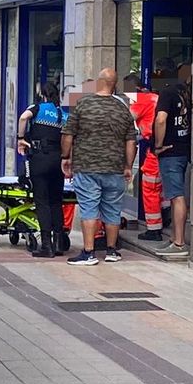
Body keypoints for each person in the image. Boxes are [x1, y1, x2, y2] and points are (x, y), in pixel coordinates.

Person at [61, 68, 137, 266]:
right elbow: (131, 141)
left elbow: (68, 134)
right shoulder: (123, 109)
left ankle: (89, 252)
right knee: (113, 209)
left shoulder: (83, 104)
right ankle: (111, 251)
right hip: (115, 168)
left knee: (89, 208)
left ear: (99, 82)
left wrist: (65, 157)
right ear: (114, 84)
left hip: (87, 167)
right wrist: (128, 166)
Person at [17, 82, 67, 258]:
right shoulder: (62, 113)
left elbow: (23, 118)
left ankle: (46, 245)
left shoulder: (37, 108)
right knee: (56, 201)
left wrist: (20, 138)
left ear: (42, 94)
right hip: (57, 160)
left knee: (42, 201)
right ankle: (59, 242)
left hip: (40, 158)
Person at [152, 59, 192, 258]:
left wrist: (158, 145)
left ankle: (179, 242)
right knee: (176, 194)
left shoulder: (167, 93)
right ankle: (174, 238)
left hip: (170, 151)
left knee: (176, 196)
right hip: (184, 149)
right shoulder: (185, 91)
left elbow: (161, 119)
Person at [124, 73, 158, 225]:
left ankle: (153, 228)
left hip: (154, 146)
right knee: (159, 188)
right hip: (159, 144)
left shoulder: (140, 100)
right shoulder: (153, 96)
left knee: (149, 186)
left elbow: (124, 120)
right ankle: (165, 213)